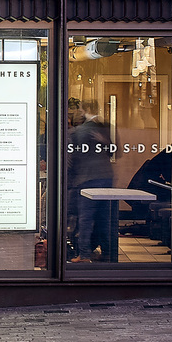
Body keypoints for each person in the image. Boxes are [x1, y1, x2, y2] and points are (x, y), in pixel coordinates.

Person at [66, 102, 114, 260]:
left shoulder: (78, 132)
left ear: (84, 110)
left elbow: (72, 159)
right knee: (105, 218)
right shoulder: (106, 128)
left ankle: (84, 254)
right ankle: (108, 254)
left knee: (86, 218)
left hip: (86, 179)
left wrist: (69, 180)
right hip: (106, 177)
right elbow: (114, 151)